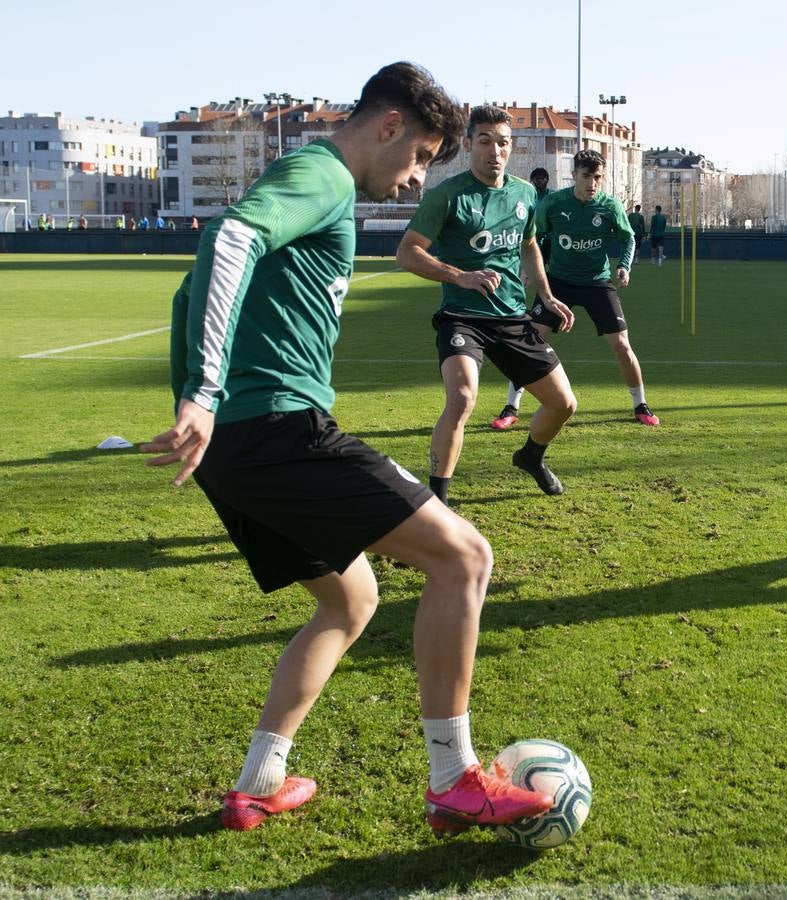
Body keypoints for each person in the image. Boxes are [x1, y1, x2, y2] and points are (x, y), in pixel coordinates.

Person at [141, 62, 553, 834]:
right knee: (464, 557)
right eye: (423, 155)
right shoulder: (322, 172)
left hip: (237, 445)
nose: (416, 177)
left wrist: (202, 399)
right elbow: (228, 239)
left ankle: (260, 780)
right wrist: (203, 391)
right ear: (390, 126)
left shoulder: (318, 181)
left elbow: (184, 295)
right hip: (277, 428)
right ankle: (453, 777)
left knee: (351, 597)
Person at [396, 105, 577, 501]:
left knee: (564, 404)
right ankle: (438, 500)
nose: (495, 150)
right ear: (467, 145)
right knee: (462, 398)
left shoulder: (525, 193)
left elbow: (529, 244)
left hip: (512, 318)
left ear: (512, 148)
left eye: (503, 142)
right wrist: (460, 276)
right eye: (485, 141)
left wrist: (545, 296)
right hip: (462, 318)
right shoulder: (448, 196)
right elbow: (407, 253)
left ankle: (531, 456)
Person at [502, 149, 658, 429]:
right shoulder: (553, 203)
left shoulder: (610, 207)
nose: (592, 183)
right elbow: (532, 239)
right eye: (586, 176)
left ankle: (640, 404)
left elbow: (628, 238)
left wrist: (624, 266)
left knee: (622, 345)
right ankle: (511, 406)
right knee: (530, 341)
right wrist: (528, 271)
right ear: (573, 175)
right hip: (558, 282)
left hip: (597, 282)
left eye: (597, 177)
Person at [627, 203, 646, 267]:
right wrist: (643, 235)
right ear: (639, 209)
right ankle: (636, 260)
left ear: (635, 209)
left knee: (630, 247)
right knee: (637, 247)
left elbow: (627, 224)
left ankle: (629, 260)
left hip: (631, 233)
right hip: (638, 234)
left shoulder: (630, 215)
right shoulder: (641, 217)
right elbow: (643, 226)